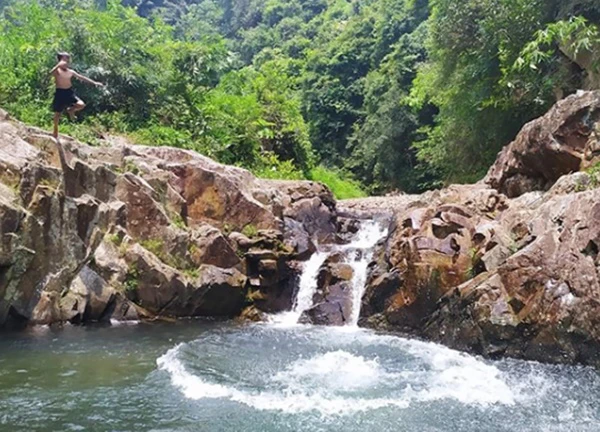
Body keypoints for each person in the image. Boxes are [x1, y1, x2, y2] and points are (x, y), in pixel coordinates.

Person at [50, 52, 104, 139]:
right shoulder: (57, 70)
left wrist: (94, 82)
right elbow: (51, 73)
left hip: (69, 92)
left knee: (81, 104)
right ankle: (55, 130)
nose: (66, 62)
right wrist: (58, 65)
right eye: (64, 59)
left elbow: (82, 77)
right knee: (57, 113)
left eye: (67, 60)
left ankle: (71, 110)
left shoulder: (70, 71)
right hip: (60, 92)